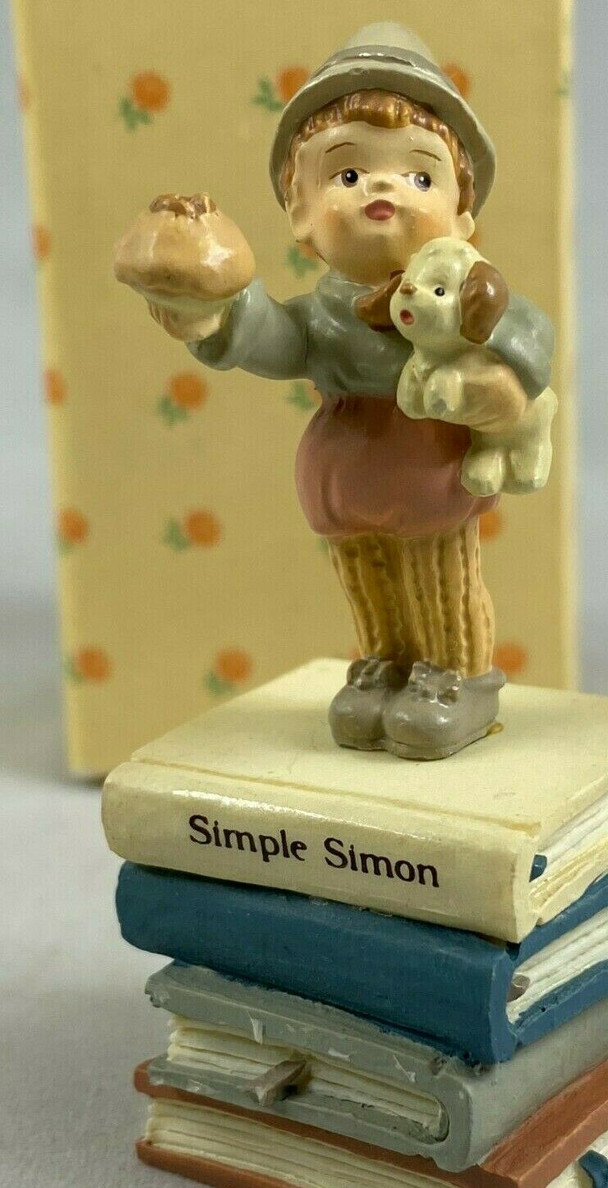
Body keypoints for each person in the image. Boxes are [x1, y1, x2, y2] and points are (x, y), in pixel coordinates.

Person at [135, 23, 554, 759]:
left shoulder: (464, 297)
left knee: (437, 574)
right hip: (343, 470)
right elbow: (276, 336)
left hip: (430, 465)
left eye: (420, 177)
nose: (384, 189)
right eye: (348, 174)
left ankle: (455, 676)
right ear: (299, 211)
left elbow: (528, 343)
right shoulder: (326, 313)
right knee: (366, 575)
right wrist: (215, 316)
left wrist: (495, 383)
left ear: (462, 216)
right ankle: (384, 663)